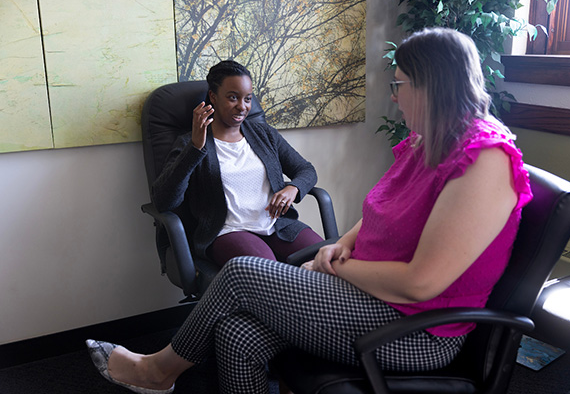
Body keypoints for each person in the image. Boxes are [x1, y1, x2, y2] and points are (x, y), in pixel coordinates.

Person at [86, 27, 533, 394]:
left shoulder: (485, 160)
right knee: (235, 334)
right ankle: (165, 370)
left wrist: (339, 263)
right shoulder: (428, 142)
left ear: (432, 84)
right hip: (369, 297)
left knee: (243, 274)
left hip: (414, 331)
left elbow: (421, 284)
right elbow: (380, 213)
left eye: (398, 85)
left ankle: (159, 370)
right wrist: (341, 245)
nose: (394, 98)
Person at [151, 60, 323, 266]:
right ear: (213, 97)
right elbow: (164, 200)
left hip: (277, 226)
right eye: (233, 98)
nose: (242, 107)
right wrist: (195, 149)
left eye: (248, 99)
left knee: (328, 260)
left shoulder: (264, 134)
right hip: (228, 231)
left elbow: (306, 170)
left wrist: (293, 188)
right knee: (271, 275)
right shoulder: (190, 143)